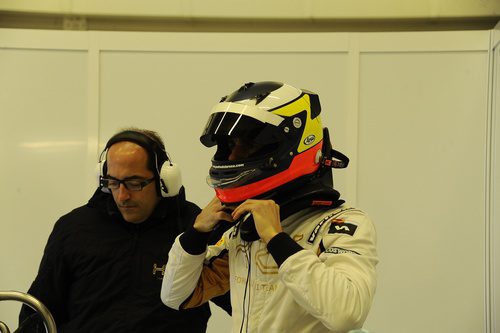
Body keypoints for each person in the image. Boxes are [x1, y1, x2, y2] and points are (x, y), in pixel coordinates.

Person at [161, 81, 378, 333]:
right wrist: (196, 234)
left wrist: (276, 239)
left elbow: (346, 314)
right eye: (231, 146)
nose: (231, 157)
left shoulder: (342, 224)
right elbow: (175, 296)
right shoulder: (243, 229)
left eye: (248, 145)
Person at [19, 128, 230, 332]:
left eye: (135, 183)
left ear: (164, 179)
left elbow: (243, 298)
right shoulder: (73, 228)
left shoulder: (195, 227)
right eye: (113, 182)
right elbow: (39, 311)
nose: (122, 196)